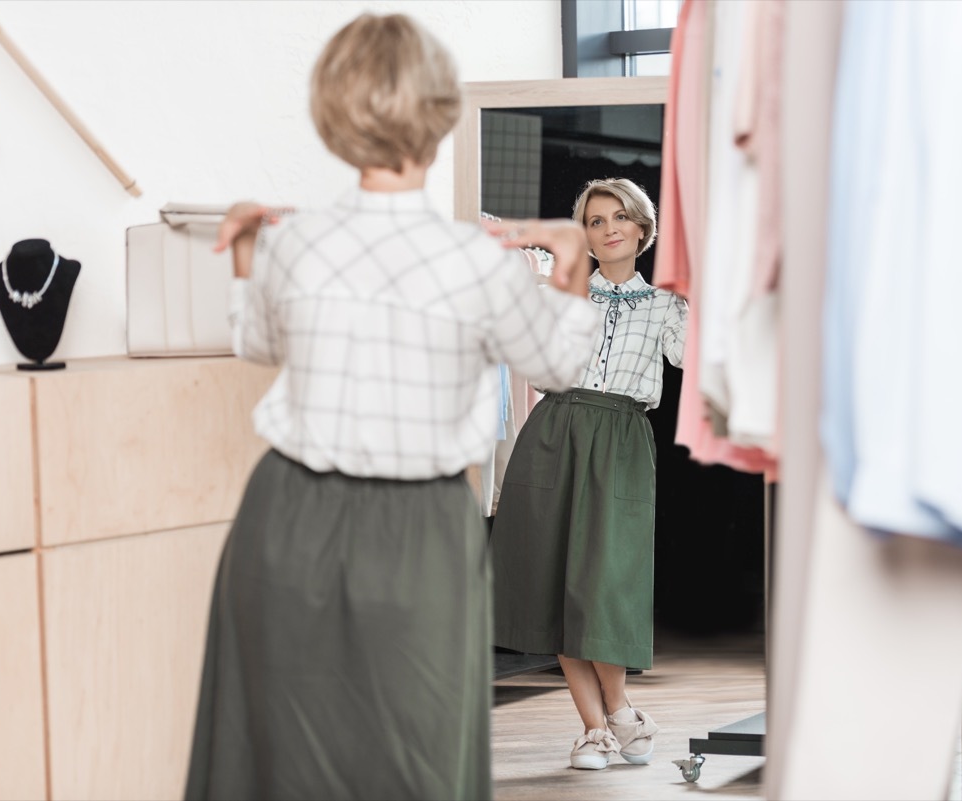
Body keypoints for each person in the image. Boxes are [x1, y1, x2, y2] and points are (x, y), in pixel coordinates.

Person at [183, 13, 600, 801]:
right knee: (416, 757)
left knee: (276, 755)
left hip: (285, 518)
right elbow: (561, 363)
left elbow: (258, 343)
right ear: (440, 116)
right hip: (419, 534)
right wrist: (570, 261)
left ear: (331, 115)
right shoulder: (479, 263)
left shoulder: (293, 244)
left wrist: (245, 257)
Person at [490, 177, 689, 770]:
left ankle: (622, 709)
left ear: (642, 228)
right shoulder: (563, 291)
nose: (609, 229)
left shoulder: (666, 303)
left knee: (606, 582)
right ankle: (596, 729)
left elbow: (689, 356)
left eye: (620, 218)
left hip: (622, 437)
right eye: (597, 221)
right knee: (557, 580)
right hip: (554, 428)